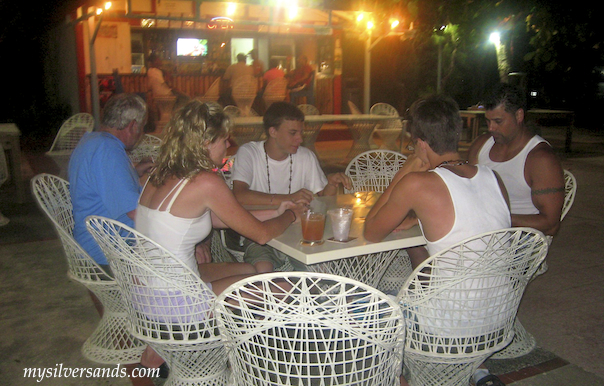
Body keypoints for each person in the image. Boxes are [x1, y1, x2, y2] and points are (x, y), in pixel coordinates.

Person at [363, 94, 510, 386]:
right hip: (498, 317)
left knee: (362, 307)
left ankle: (399, 378)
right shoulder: (493, 178)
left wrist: (405, 171)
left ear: (419, 143)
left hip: (447, 328)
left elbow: (371, 231)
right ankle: (477, 370)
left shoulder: (418, 183)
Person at [136, 99, 305, 295]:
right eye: (224, 139)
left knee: (252, 270)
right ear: (206, 143)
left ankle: (240, 323)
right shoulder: (206, 182)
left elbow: (217, 219)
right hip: (174, 297)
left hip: (145, 287)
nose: (228, 145)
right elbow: (262, 235)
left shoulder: (157, 174)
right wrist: (291, 215)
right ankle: (239, 324)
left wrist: (275, 212)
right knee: (284, 286)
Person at [231, 101, 352, 273]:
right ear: (273, 131)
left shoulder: (306, 156)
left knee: (322, 269)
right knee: (262, 268)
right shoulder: (249, 153)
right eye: (293, 133)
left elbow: (323, 201)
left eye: (301, 133)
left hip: (299, 232)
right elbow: (239, 196)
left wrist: (331, 184)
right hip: (260, 231)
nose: (300, 139)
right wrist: (288, 198)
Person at [69, 93, 153, 273]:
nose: (141, 134)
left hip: (97, 246)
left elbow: (104, 183)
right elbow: (136, 213)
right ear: (133, 126)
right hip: (108, 256)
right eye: (142, 128)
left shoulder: (92, 140)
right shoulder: (107, 150)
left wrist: (136, 171)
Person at [468, 83, 565, 236]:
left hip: (519, 241)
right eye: (488, 121)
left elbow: (551, 225)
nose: (491, 128)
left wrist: (496, 218)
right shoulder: (481, 145)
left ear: (519, 116)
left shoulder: (540, 159)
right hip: (481, 231)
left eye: (498, 121)